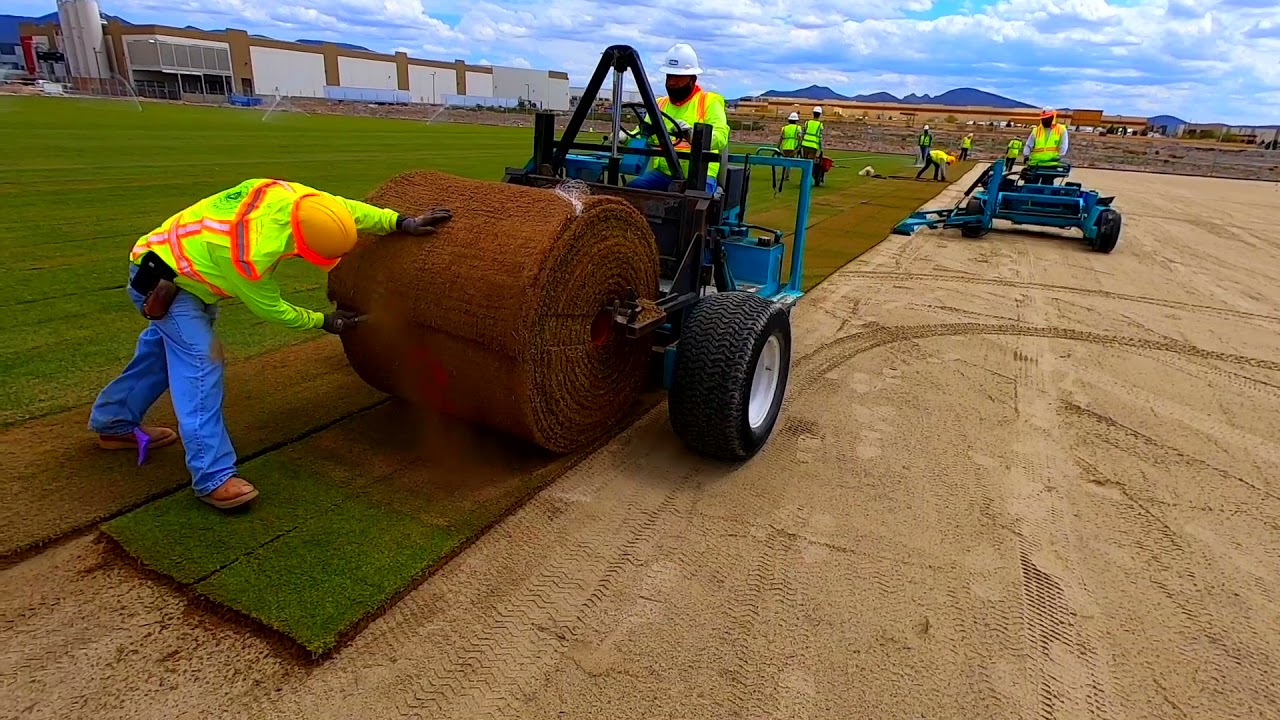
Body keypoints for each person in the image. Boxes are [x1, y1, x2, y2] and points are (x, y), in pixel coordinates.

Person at [90, 179, 453, 510]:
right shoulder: (250, 253)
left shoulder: (301, 200)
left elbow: (349, 211)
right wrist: (324, 321)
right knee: (202, 363)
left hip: (184, 265)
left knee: (158, 356)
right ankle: (213, 478)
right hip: (164, 282)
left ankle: (114, 423)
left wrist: (399, 221)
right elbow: (273, 310)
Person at [625, 43, 730, 193]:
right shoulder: (659, 104)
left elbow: (720, 137)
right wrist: (624, 137)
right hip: (665, 174)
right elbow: (643, 132)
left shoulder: (709, 101)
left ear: (692, 79)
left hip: (700, 175)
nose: (672, 82)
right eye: (669, 76)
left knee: (693, 204)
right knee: (632, 191)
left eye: (678, 77)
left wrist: (694, 136)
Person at [800, 106, 826, 185]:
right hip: (813, 146)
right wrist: (821, 148)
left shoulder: (807, 123)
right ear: (820, 114)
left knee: (804, 163)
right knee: (810, 163)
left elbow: (802, 133)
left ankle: (803, 180)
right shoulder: (820, 125)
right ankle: (807, 181)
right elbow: (820, 137)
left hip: (805, 145)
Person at [778, 111, 802, 181]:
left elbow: (781, 138)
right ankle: (786, 176)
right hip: (793, 147)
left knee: (785, 161)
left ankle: (784, 174)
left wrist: (778, 146)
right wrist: (799, 147)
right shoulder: (798, 128)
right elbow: (800, 138)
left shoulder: (784, 128)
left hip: (785, 147)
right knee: (789, 162)